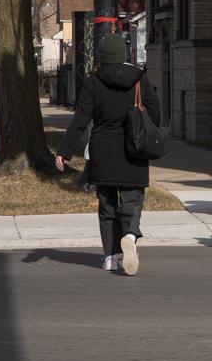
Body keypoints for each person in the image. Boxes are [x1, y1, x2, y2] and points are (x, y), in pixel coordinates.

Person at [55, 33, 161, 276]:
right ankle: (131, 237)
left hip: (102, 150)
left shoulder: (93, 82)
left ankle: (110, 257)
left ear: (102, 56)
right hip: (134, 149)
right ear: (124, 55)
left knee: (107, 205)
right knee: (132, 199)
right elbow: (155, 112)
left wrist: (64, 151)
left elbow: (80, 119)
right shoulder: (139, 80)